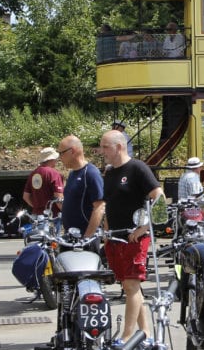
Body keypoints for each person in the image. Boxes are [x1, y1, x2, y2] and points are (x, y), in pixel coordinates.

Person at [100, 129, 163, 338]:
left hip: (134, 237)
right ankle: (145, 332)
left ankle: (127, 336)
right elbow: (108, 204)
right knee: (130, 288)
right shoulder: (109, 173)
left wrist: (144, 227)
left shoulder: (137, 168)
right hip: (115, 238)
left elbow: (159, 197)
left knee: (131, 285)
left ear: (119, 147)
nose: (102, 152)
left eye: (105, 147)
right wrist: (106, 231)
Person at [58, 135, 104, 237]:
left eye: (61, 153)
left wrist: (87, 238)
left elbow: (99, 207)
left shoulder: (91, 173)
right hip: (70, 237)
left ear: (73, 151)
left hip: (84, 240)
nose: (60, 157)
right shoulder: (72, 174)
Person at [24, 146, 65, 217]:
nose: (56, 161)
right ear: (51, 159)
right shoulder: (54, 173)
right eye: (55, 159)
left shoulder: (33, 173)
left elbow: (26, 196)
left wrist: (37, 207)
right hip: (51, 217)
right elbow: (59, 198)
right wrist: (66, 212)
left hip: (36, 216)